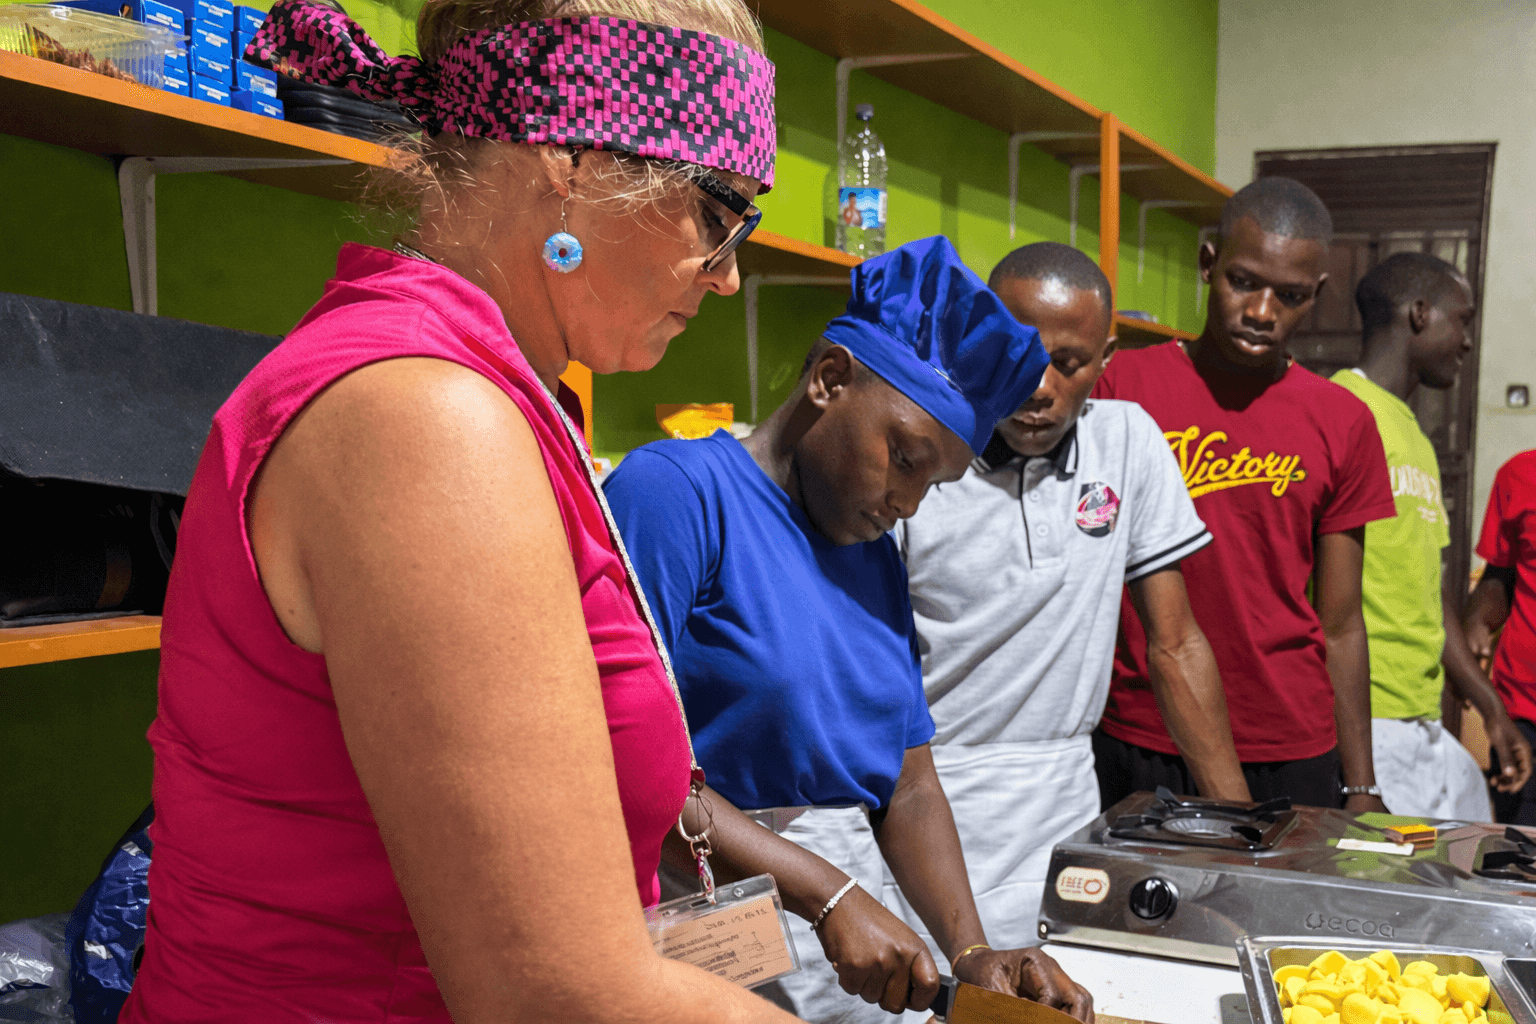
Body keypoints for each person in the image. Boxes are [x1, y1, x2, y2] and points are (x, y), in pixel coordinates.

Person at [122, 0, 808, 1020]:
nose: (727, 276)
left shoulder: (487, 388)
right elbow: (554, 996)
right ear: (573, 158)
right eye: (718, 215)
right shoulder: (428, 418)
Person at [605, 237, 1094, 1024]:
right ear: (830, 380)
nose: (909, 502)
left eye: (933, 484)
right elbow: (621, 765)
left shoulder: (871, 553)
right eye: (904, 458)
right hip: (699, 920)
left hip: (849, 947)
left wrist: (970, 952)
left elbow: (908, 785)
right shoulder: (678, 496)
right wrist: (824, 893)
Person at [887, 242, 1250, 952]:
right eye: (1017, 353)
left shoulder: (1129, 442)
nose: (1039, 386)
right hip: (925, 789)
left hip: (1064, 797)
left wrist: (1237, 829)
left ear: (1106, 358)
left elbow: (1176, 644)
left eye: (1069, 363)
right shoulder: (915, 450)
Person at [1090, 177, 1397, 813]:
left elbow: (1341, 622)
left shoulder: (1342, 420)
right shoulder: (1120, 388)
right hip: (1141, 729)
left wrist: (1362, 783)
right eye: (1243, 281)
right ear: (1209, 264)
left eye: (1289, 296)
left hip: (1289, 742)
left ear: (1317, 295)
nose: (1261, 311)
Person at [1331, 252, 1532, 820]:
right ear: (1420, 314)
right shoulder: (1339, 411)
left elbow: (1430, 594)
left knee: (1473, 854)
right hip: (1362, 718)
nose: (1466, 342)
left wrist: (1490, 708)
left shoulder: (1414, 436)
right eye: (1461, 320)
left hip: (1420, 718)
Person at [1468, 448, 1536, 824]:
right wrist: (1473, 627)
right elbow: (1500, 574)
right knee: (1520, 850)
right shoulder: (1519, 474)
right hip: (1522, 718)